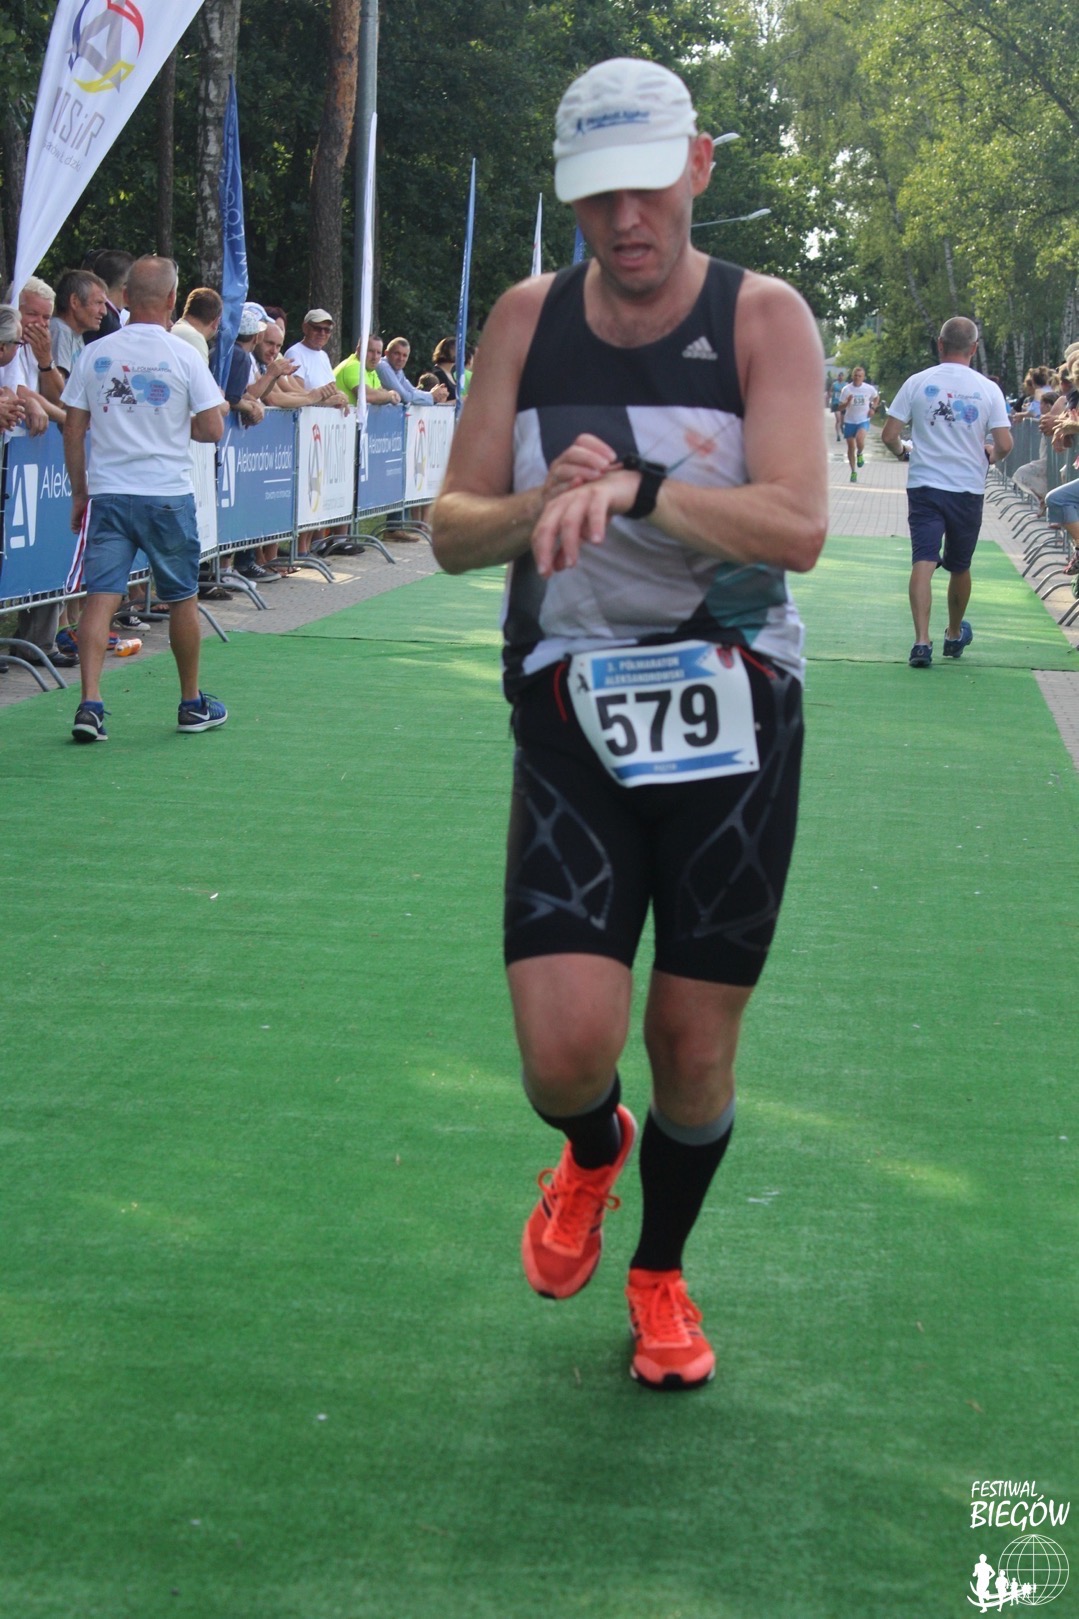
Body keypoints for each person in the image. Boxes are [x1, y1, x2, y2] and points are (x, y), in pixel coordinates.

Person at [431, 56, 827, 1390]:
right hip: (569, 702)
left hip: (737, 712)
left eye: (647, 186)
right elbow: (450, 530)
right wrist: (542, 498)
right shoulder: (526, 318)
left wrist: (645, 490)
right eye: (597, 195)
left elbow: (798, 524)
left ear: (697, 165)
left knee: (692, 1049)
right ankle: (591, 1147)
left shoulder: (760, 316)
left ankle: (658, 1269)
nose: (625, 219)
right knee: (563, 1053)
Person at [61, 255, 229, 742]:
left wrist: (79, 491)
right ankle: (191, 703)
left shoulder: (95, 353)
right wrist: (177, 424)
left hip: (109, 492)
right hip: (166, 493)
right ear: (173, 299)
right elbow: (212, 428)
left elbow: (74, 427)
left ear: (126, 297)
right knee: (181, 599)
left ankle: (90, 704)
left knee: (100, 599)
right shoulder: (184, 354)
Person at [882, 317, 1012, 667]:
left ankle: (921, 642)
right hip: (967, 488)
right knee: (959, 565)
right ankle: (953, 634)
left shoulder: (917, 382)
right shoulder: (988, 389)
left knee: (923, 560)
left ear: (939, 345)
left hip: (925, 485)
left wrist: (903, 452)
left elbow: (889, 435)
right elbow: (1004, 443)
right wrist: (991, 456)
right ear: (974, 348)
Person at [333, 333, 401, 407]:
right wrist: (390, 396)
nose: (375, 357)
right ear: (359, 350)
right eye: (371, 351)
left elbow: (380, 393)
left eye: (378, 353)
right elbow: (366, 395)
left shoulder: (370, 370)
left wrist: (387, 395)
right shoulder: (353, 365)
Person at [376, 337, 449, 405]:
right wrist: (431, 396)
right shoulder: (383, 366)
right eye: (397, 353)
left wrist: (432, 394)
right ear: (386, 353)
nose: (401, 359)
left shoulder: (397, 370)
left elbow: (412, 390)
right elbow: (404, 396)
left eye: (404, 355)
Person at [837, 364, 879, 481]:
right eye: (855, 375)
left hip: (863, 419)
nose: (857, 378)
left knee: (860, 439)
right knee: (851, 447)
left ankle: (860, 453)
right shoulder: (846, 389)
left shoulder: (868, 388)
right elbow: (839, 407)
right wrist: (847, 403)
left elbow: (876, 397)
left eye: (860, 376)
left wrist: (873, 408)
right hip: (850, 421)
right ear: (852, 376)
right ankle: (853, 472)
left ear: (863, 377)